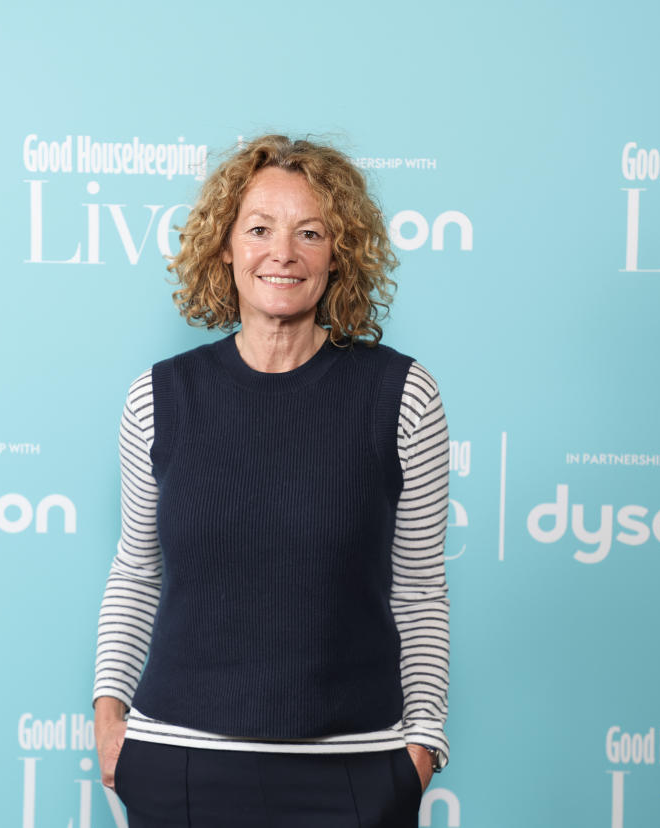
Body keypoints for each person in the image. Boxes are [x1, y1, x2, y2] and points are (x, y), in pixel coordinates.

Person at [92, 134, 450, 827]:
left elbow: (420, 589)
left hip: (354, 771)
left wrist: (421, 748)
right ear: (226, 247)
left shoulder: (403, 396)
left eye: (309, 232)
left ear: (338, 253)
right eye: (259, 229)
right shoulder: (160, 398)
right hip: (180, 765)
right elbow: (136, 572)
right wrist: (110, 721)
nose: (281, 252)